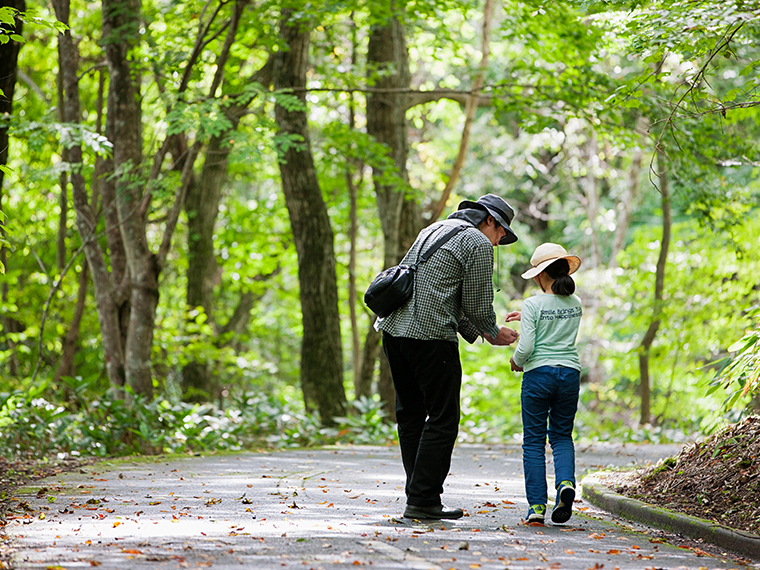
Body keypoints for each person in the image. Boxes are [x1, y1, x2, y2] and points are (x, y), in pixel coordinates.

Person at [377, 194, 520, 520]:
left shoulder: (434, 229)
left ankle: (418, 496)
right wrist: (491, 331)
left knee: (410, 415)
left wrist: (481, 330)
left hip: (394, 331)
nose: (499, 242)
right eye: (501, 234)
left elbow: (439, 290)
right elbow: (476, 301)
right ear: (490, 221)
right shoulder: (477, 243)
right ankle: (424, 499)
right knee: (443, 418)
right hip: (430, 337)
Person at [506, 243, 583, 525]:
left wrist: (516, 361)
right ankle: (565, 484)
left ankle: (537, 507)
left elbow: (526, 346)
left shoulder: (533, 304)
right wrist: (527, 316)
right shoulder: (576, 303)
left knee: (534, 442)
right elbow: (555, 322)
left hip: (539, 375)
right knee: (562, 436)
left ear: (540, 275)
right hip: (570, 374)